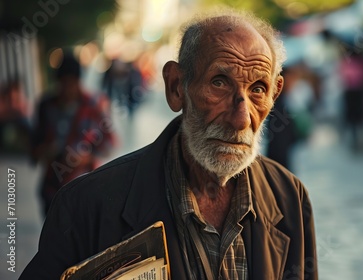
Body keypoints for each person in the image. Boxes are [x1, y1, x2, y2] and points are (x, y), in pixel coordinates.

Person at [21, 9, 318, 280]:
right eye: (219, 82)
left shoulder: (290, 198)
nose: (241, 119)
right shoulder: (87, 207)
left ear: (275, 94)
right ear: (176, 87)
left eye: (257, 89)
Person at [30, 52, 115, 215]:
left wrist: (87, 157)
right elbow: (34, 146)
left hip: (85, 185)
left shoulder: (94, 106)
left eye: (71, 83)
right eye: (63, 83)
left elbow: (110, 143)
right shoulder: (46, 106)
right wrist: (45, 151)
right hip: (52, 186)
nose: (67, 89)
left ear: (78, 81)